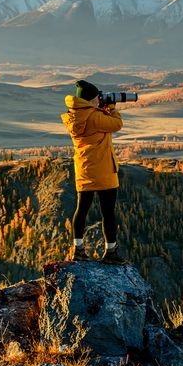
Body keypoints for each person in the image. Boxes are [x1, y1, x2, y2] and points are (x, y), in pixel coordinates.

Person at [61, 79, 127, 264]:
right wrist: (111, 108)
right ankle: (111, 252)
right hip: (104, 170)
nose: (100, 99)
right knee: (108, 212)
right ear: (91, 99)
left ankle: (78, 250)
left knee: (81, 210)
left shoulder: (73, 116)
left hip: (84, 169)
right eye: (98, 97)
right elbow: (117, 124)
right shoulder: (95, 117)